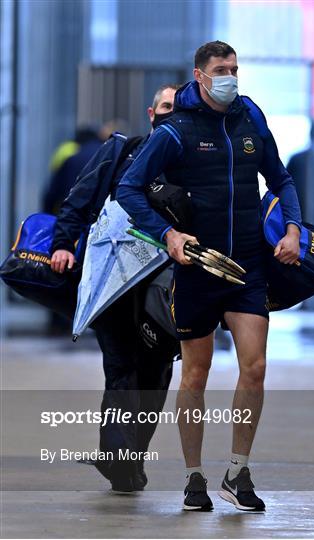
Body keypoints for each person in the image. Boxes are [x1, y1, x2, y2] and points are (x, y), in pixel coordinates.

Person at [116, 41, 302, 511]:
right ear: (200, 76)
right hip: (198, 267)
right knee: (195, 375)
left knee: (254, 368)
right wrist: (168, 236)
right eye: (222, 70)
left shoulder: (250, 117)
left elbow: (280, 178)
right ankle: (193, 476)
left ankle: (238, 471)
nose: (231, 77)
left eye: (235, 68)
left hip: (247, 267)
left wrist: (294, 228)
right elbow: (128, 189)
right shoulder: (175, 129)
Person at [50, 84, 180, 493]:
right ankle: (119, 462)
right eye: (164, 107)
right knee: (122, 368)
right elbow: (78, 200)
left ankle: (130, 458)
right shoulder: (122, 151)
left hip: (164, 289)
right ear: (150, 112)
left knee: (156, 375)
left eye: (177, 109)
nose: (169, 115)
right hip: (113, 284)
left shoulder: (194, 164)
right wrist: (61, 245)